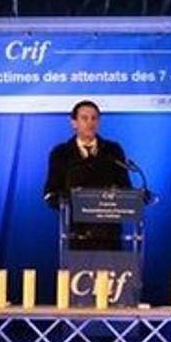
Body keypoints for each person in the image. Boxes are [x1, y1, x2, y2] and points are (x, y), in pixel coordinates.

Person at [42, 101, 132, 250]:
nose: (90, 123)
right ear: (74, 123)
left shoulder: (113, 150)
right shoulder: (61, 153)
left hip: (109, 234)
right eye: (84, 118)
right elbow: (51, 194)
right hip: (76, 233)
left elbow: (125, 188)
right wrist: (75, 199)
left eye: (94, 118)